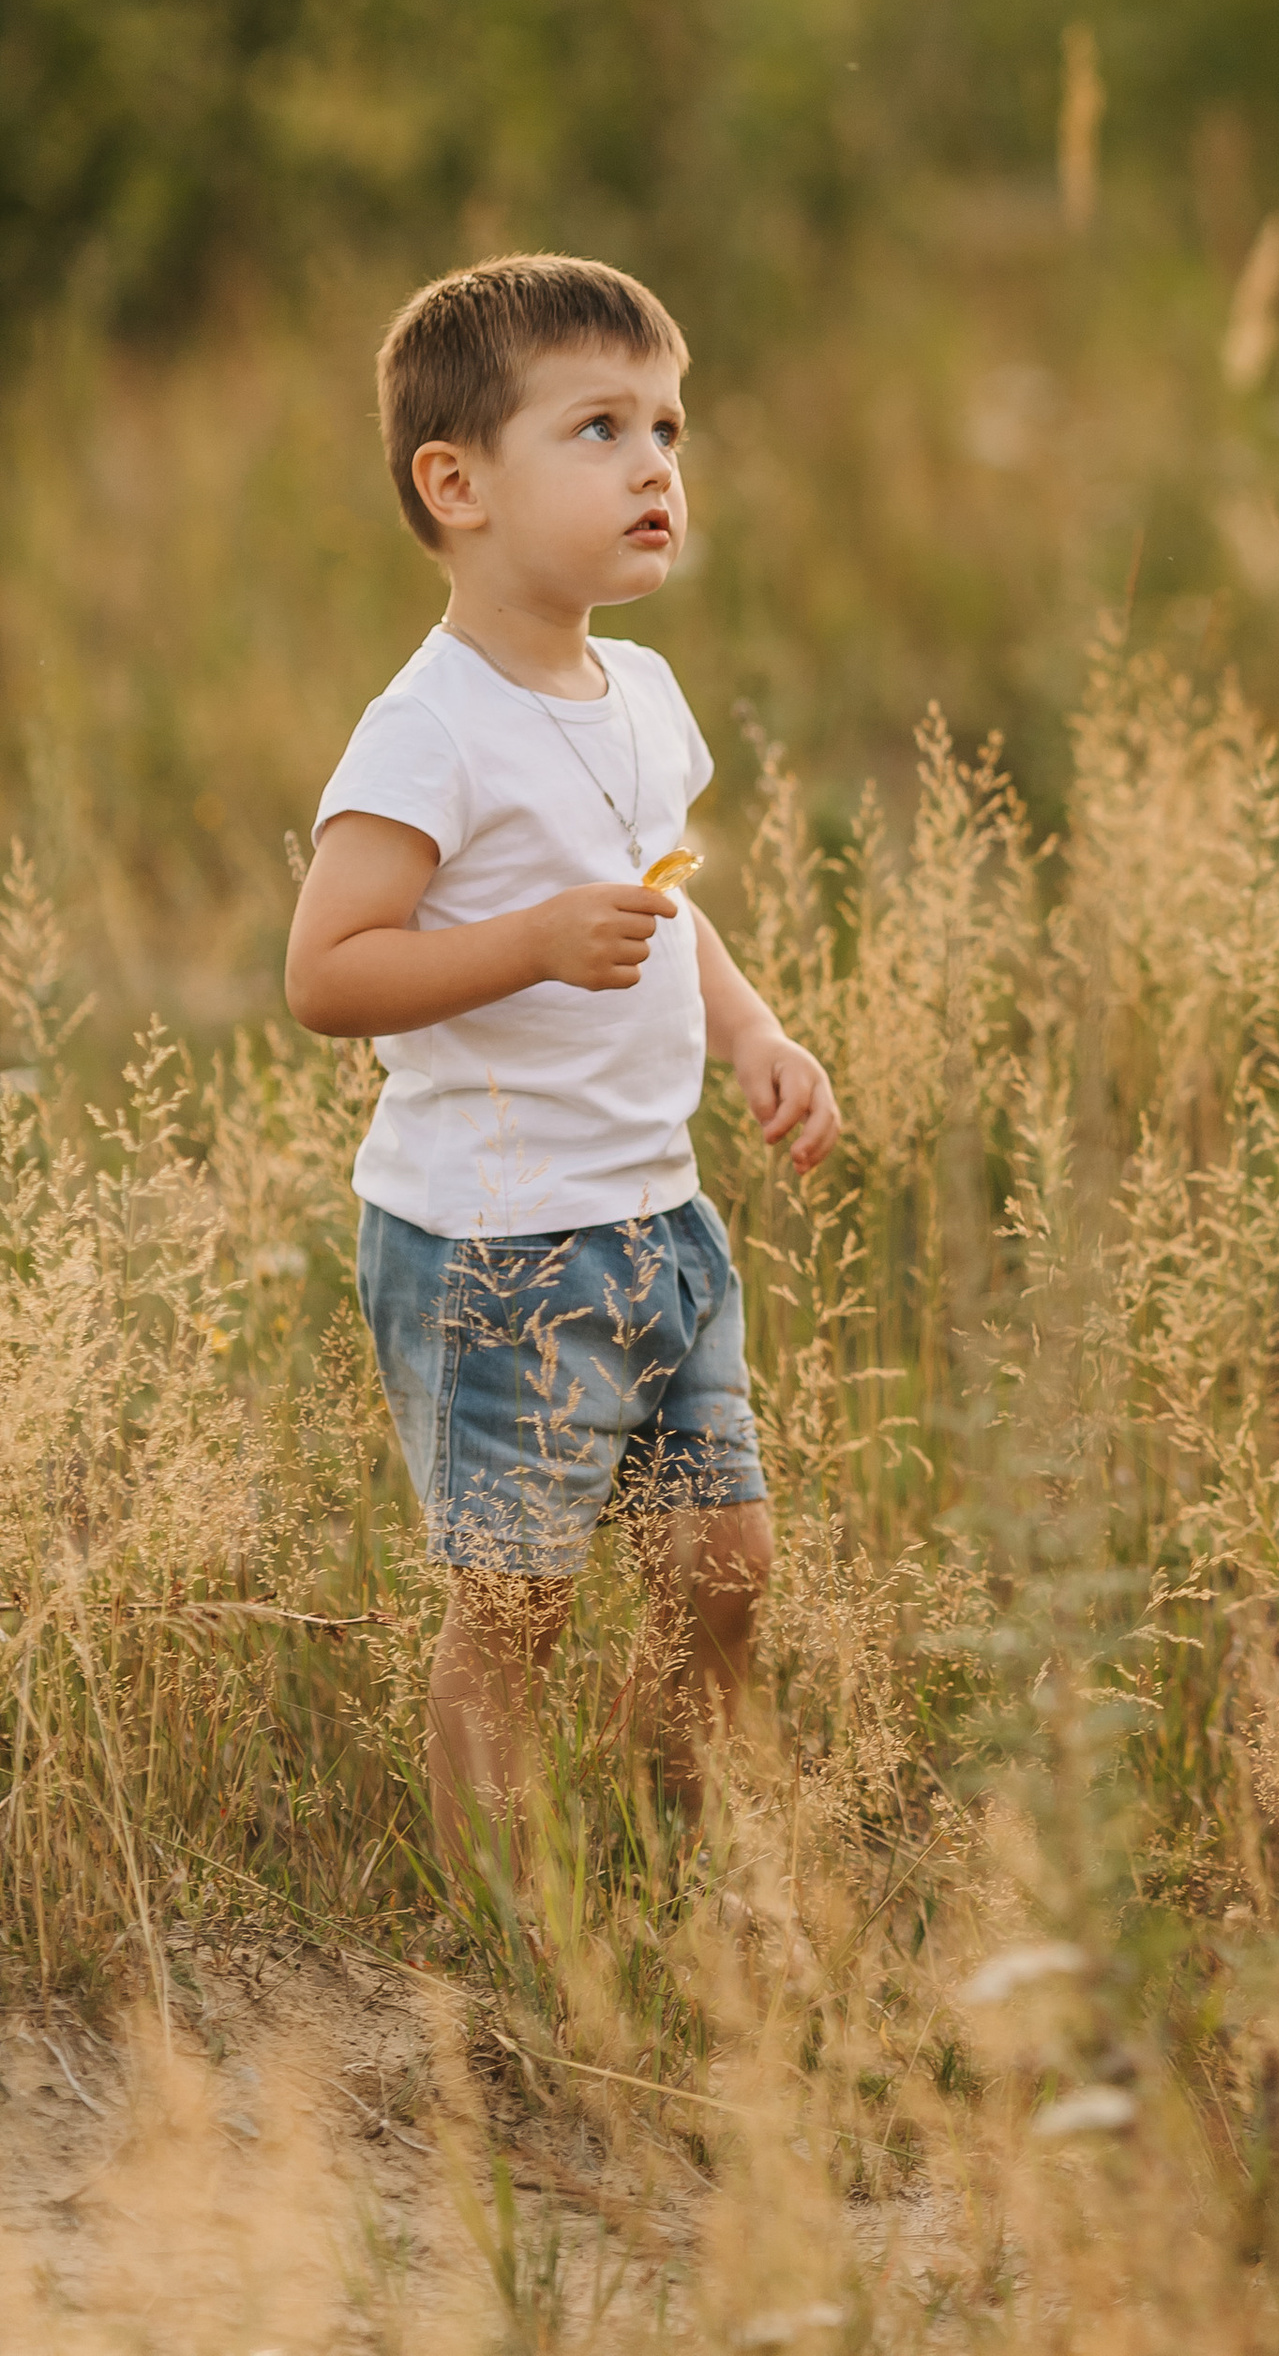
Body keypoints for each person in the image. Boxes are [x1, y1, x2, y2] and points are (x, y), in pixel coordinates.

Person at [286, 252, 842, 1876]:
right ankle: (504, 1915)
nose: (656, 465)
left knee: (724, 1567)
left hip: (661, 1220)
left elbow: (666, 902)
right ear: (454, 486)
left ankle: (673, 1861)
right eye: (598, 429)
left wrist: (753, 1031)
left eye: (668, 426)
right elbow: (327, 972)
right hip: (494, 1243)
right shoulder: (428, 730)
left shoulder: (642, 692)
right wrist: (528, 941)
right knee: (515, 1603)